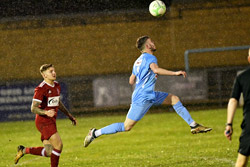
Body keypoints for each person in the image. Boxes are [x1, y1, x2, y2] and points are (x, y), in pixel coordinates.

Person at [84, 35, 212, 147]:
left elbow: (131, 80)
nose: (154, 43)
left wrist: (142, 76)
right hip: (143, 97)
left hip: (148, 94)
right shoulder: (151, 58)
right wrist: (175, 73)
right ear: (147, 45)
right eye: (152, 41)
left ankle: (193, 125)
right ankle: (95, 133)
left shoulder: (137, 61)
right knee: (126, 126)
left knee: (174, 99)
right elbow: (156, 70)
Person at [14, 64, 77, 167]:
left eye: (54, 70)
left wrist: (69, 115)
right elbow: (33, 108)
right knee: (58, 145)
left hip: (51, 121)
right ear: (44, 75)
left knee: (49, 152)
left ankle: (23, 150)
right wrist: (46, 112)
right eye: (50, 71)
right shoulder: (41, 89)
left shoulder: (56, 85)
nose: (53, 73)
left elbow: (58, 103)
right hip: (43, 121)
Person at [224, 48, 250, 167]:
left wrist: (229, 124)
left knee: (241, 162)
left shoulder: (242, 77)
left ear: (249, 59)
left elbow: (233, 100)